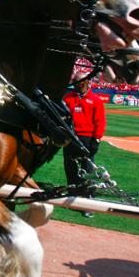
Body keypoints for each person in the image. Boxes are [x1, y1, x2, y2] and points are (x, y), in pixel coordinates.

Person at [62, 72, 107, 218]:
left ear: (87, 82)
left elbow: (100, 121)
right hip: (71, 137)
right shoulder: (67, 98)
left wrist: (97, 140)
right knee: (70, 168)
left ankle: (89, 203)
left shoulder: (95, 100)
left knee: (87, 170)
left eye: (79, 81)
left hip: (87, 138)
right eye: (75, 81)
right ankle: (73, 199)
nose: (76, 84)